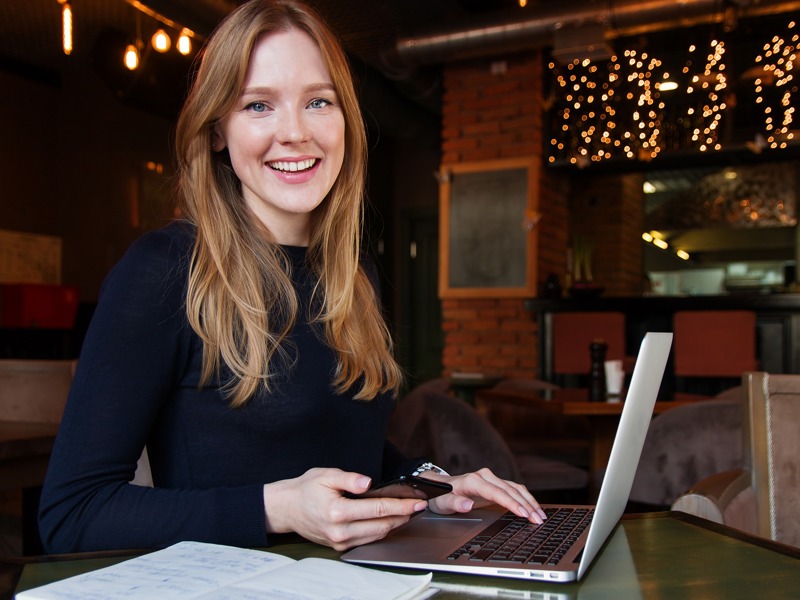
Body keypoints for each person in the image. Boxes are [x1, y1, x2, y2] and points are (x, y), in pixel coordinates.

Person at [38, 0, 546, 554]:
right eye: (258, 105)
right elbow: (73, 513)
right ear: (215, 131)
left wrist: (434, 483)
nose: (295, 133)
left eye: (318, 102)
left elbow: (354, 457)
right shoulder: (162, 270)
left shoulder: (353, 273)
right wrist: (275, 509)